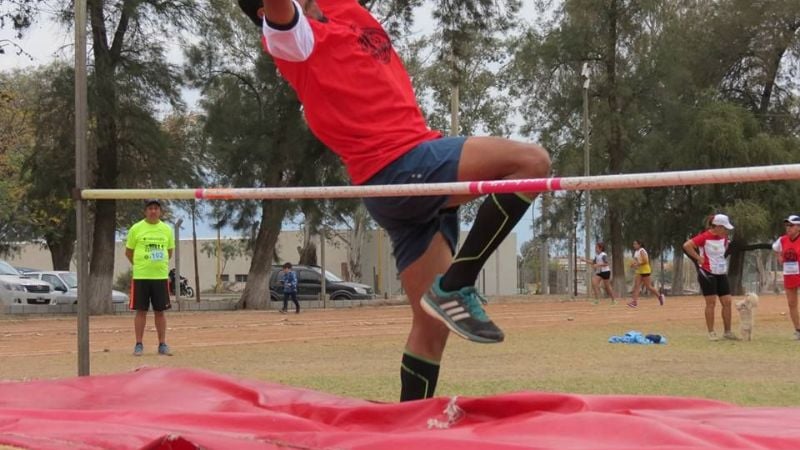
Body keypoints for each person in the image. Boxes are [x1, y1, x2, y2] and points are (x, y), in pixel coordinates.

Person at [236, 0, 551, 401]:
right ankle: (457, 284)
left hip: (405, 173)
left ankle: (408, 431)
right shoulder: (291, 39)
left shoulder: (341, 8)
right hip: (398, 167)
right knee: (531, 162)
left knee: (431, 325)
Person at [125, 199, 175, 356]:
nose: (153, 211)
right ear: (145, 211)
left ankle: (162, 344)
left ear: (160, 212)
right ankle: (138, 344)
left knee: (160, 312)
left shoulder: (167, 230)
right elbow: (129, 252)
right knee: (141, 311)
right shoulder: (136, 228)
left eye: (156, 208)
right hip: (141, 277)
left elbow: (169, 252)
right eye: (150, 208)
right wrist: (140, 265)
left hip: (159, 277)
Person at [682, 214, 738, 341]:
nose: (726, 231)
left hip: (721, 272)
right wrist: (698, 258)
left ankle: (727, 332)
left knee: (727, 302)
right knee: (711, 303)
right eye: (725, 228)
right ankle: (711, 332)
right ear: (717, 226)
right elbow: (687, 245)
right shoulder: (704, 237)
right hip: (707, 273)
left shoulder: (724, 238)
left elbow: (724, 249)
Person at [772, 214, 800, 340]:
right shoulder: (782, 240)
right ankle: (798, 330)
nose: (788, 228)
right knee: (792, 303)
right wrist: (779, 257)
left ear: (798, 227)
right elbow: (775, 249)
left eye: (791, 225)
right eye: (787, 225)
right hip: (789, 274)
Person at [628, 240, 665, 308]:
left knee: (649, 287)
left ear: (640, 244)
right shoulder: (636, 252)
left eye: (635, 244)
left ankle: (660, 296)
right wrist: (633, 264)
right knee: (636, 286)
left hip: (645, 271)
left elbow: (645, 261)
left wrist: (637, 264)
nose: (634, 245)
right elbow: (636, 261)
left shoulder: (642, 251)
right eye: (633, 244)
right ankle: (634, 302)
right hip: (639, 271)